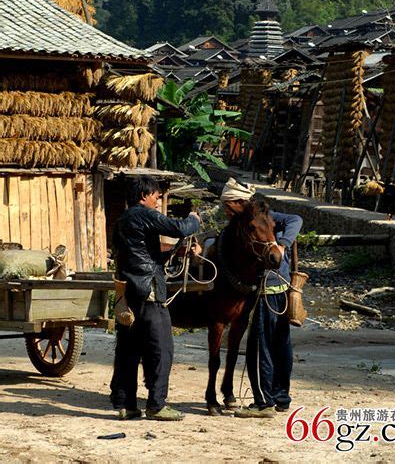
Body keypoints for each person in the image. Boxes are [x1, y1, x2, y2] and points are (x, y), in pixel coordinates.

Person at [110, 176, 200, 421]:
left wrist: (174, 251)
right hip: (148, 291)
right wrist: (193, 220)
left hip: (128, 293)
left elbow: (142, 254)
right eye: (156, 197)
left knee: (129, 349)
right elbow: (180, 228)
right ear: (144, 196)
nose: (158, 201)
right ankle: (157, 405)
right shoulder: (143, 214)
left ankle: (126, 404)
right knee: (162, 348)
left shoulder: (122, 221)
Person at [219, 178, 303, 419]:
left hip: (268, 289)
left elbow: (297, 219)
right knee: (281, 344)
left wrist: (283, 245)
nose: (226, 210)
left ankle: (264, 401)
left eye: (228, 205)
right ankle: (281, 398)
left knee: (261, 346)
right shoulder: (257, 217)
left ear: (240, 202)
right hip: (281, 288)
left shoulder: (255, 219)